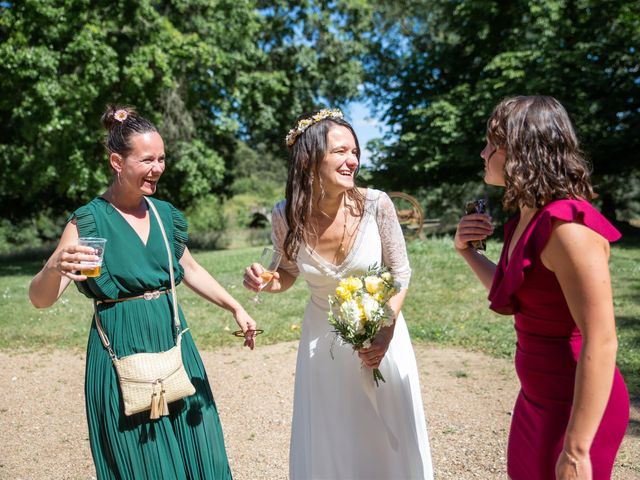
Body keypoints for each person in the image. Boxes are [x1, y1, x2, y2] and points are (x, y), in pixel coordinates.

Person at [29, 105, 257, 479]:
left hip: (172, 339)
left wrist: (235, 307)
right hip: (120, 347)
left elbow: (191, 269)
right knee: (144, 462)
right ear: (117, 162)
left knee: (203, 451)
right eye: (147, 159)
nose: (158, 168)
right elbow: (41, 299)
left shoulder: (165, 214)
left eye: (162, 158)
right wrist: (53, 267)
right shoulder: (89, 220)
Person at [243, 108, 434, 479]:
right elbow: (288, 273)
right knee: (335, 438)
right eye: (340, 152)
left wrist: (385, 333)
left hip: (383, 333)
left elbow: (400, 272)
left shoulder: (377, 204)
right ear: (311, 158)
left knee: (388, 434)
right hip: (322, 344)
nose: (353, 161)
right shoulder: (286, 214)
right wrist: (267, 280)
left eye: (355, 152)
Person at [454, 96, 629, 479]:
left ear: (521, 149)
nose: (483, 153)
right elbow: (514, 294)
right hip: (534, 398)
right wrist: (467, 253)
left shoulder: (568, 228)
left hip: (574, 404)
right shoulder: (526, 218)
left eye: (492, 143)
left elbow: (602, 340)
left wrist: (577, 448)